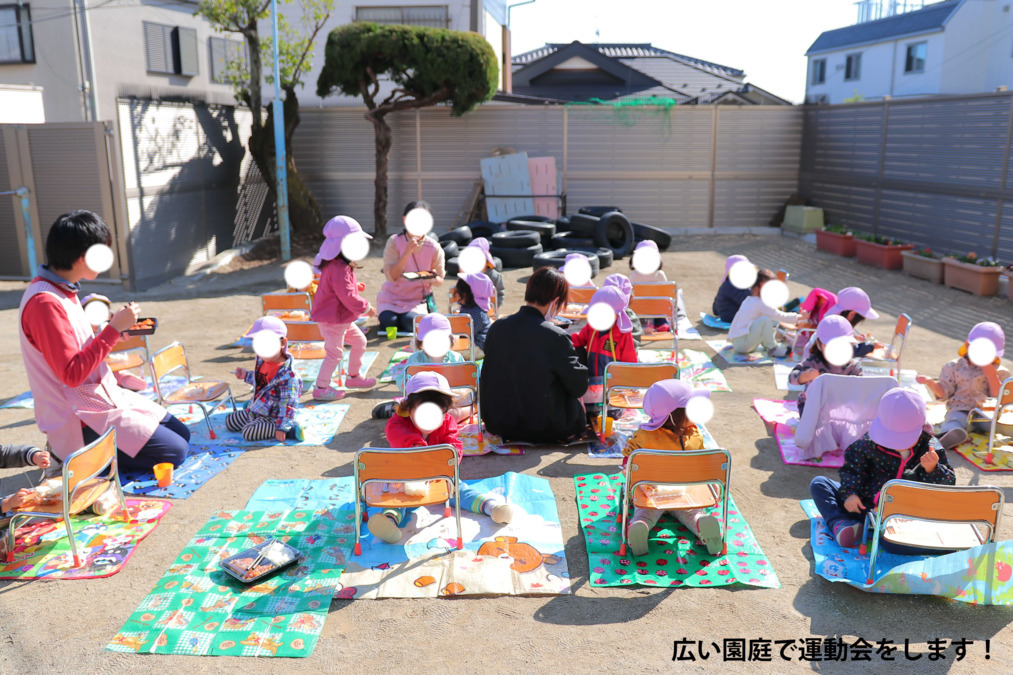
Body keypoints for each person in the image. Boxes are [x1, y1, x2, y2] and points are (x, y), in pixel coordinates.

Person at [18, 211, 189, 473]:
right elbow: (71, 374)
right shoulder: (44, 303)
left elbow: (73, 345)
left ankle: (89, 454)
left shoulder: (61, 288)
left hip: (98, 398)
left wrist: (111, 332)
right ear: (82, 257)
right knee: (174, 451)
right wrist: (112, 330)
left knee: (182, 434)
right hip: (78, 416)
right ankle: (75, 457)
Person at [369, 372, 518, 544]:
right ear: (408, 408)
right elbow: (399, 437)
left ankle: (492, 507)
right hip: (405, 475)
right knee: (398, 499)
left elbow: (454, 447)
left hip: (438, 473)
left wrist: (446, 465)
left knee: (459, 490)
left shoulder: (448, 422)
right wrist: (418, 447)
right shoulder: (397, 423)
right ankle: (389, 522)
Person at [808, 387, 955, 550]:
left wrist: (932, 469)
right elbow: (852, 470)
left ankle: (936, 545)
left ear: (920, 429)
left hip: (903, 517)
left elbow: (948, 486)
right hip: (864, 507)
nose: (897, 444)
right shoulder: (868, 443)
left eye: (903, 439)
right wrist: (851, 493)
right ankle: (842, 523)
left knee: (890, 543)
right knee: (819, 484)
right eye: (891, 437)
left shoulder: (930, 447)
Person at [480, 267, 590, 444]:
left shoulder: (497, 328)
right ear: (555, 301)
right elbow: (578, 387)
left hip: (499, 423)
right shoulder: (556, 336)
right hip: (546, 428)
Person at [622, 381, 722, 556]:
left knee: (645, 513)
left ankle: (640, 525)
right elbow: (705, 465)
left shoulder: (643, 437)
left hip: (651, 493)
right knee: (691, 513)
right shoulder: (694, 436)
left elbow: (627, 464)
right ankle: (700, 523)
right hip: (685, 492)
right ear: (677, 416)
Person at [310, 215, 378, 400]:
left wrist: (355, 286)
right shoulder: (339, 267)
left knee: (359, 341)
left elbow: (339, 288)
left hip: (340, 317)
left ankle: (354, 377)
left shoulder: (338, 265)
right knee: (335, 354)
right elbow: (347, 296)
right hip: (332, 319)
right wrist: (367, 307)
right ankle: (321, 387)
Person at [917, 322, 1011, 450]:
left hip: (984, 414)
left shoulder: (1000, 372)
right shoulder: (953, 367)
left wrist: (992, 376)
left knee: (1002, 424)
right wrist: (931, 383)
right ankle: (952, 435)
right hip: (959, 410)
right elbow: (944, 393)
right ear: (967, 346)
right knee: (953, 421)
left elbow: (998, 397)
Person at [376, 313, 470, 422]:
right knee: (441, 414)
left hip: (447, 401)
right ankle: (400, 409)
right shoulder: (416, 359)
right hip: (424, 401)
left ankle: (401, 409)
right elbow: (403, 382)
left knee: (456, 409)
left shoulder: (456, 357)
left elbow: (464, 384)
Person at [228, 316, 304, 442]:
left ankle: (291, 430)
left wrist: (282, 427)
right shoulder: (262, 361)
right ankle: (253, 406)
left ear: (282, 343)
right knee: (231, 421)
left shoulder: (289, 377)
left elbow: (288, 405)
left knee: (248, 432)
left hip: (273, 417)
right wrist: (246, 375)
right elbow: (261, 381)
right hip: (258, 410)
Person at [376, 201, 446, 333]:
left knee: (410, 322)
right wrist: (406, 253)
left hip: (417, 300)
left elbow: (439, 281)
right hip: (392, 297)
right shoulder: (394, 241)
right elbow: (391, 277)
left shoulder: (434, 247)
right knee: (388, 322)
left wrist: (429, 277)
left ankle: (408, 318)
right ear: (405, 219)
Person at [571, 286, 637, 421]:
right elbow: (579, 339)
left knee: (611, 415)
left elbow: (630, 364)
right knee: (589, 415)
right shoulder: (592, 327)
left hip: (612, 390)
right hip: (592, 386)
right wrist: (563, 341)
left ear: (617, 315)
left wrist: (627, 389)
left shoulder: (623, 335)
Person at [788, 315, 863, 414]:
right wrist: (806, 375)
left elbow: (860, 389)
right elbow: (792, 379)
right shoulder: (813, 362)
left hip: (840, 407)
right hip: (812, 405)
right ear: (819, 345)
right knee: (812, 420)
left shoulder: (853, 366)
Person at [727, 268, 796, 357]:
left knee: (765, 320)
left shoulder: (750, 299)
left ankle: (769, 346)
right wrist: (801, 317)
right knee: (765, 319)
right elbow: (781, 316)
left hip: (739, 343)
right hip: (743, 345)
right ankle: (772, 349)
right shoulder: (760, 303)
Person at [819, 286, 882, 358]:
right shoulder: (837, 327)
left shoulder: (832, 321)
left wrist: (853, 337)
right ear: (852, 314)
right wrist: (871, 346)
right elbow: (849, 351)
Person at [629, 240, 672, 331]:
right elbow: (667, 295)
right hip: (658, 312)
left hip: (639, 311)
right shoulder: (660, 275)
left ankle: (645, 324)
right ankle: (661, 324)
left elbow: (629, 294)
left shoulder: (634, 275)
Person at [455, 272, 494, 351]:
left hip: (479, 348)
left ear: (468, 294)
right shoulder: (474, 308)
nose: (456, 295)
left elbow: (466, 334)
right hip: (473, 344)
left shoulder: (477, 313)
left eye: (459, 292)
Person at [463, 238, 505, 308]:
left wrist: (495, 308)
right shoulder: (467, 276)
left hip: (489, 309)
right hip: (469, 308)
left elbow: (500, 294)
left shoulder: (495, 276)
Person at [792, 288, 837, 354]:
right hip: (809, 335)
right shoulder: (814, 304)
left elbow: (825, 329)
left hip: (815, 339)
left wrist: (809, 326)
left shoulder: (829, 307)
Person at [712, 254, 752, 324]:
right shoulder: (732, 285)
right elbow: (744, 301)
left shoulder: (730, 282)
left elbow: (717, 300)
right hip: (730, 316)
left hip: (726, 313)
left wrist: (716, 311)